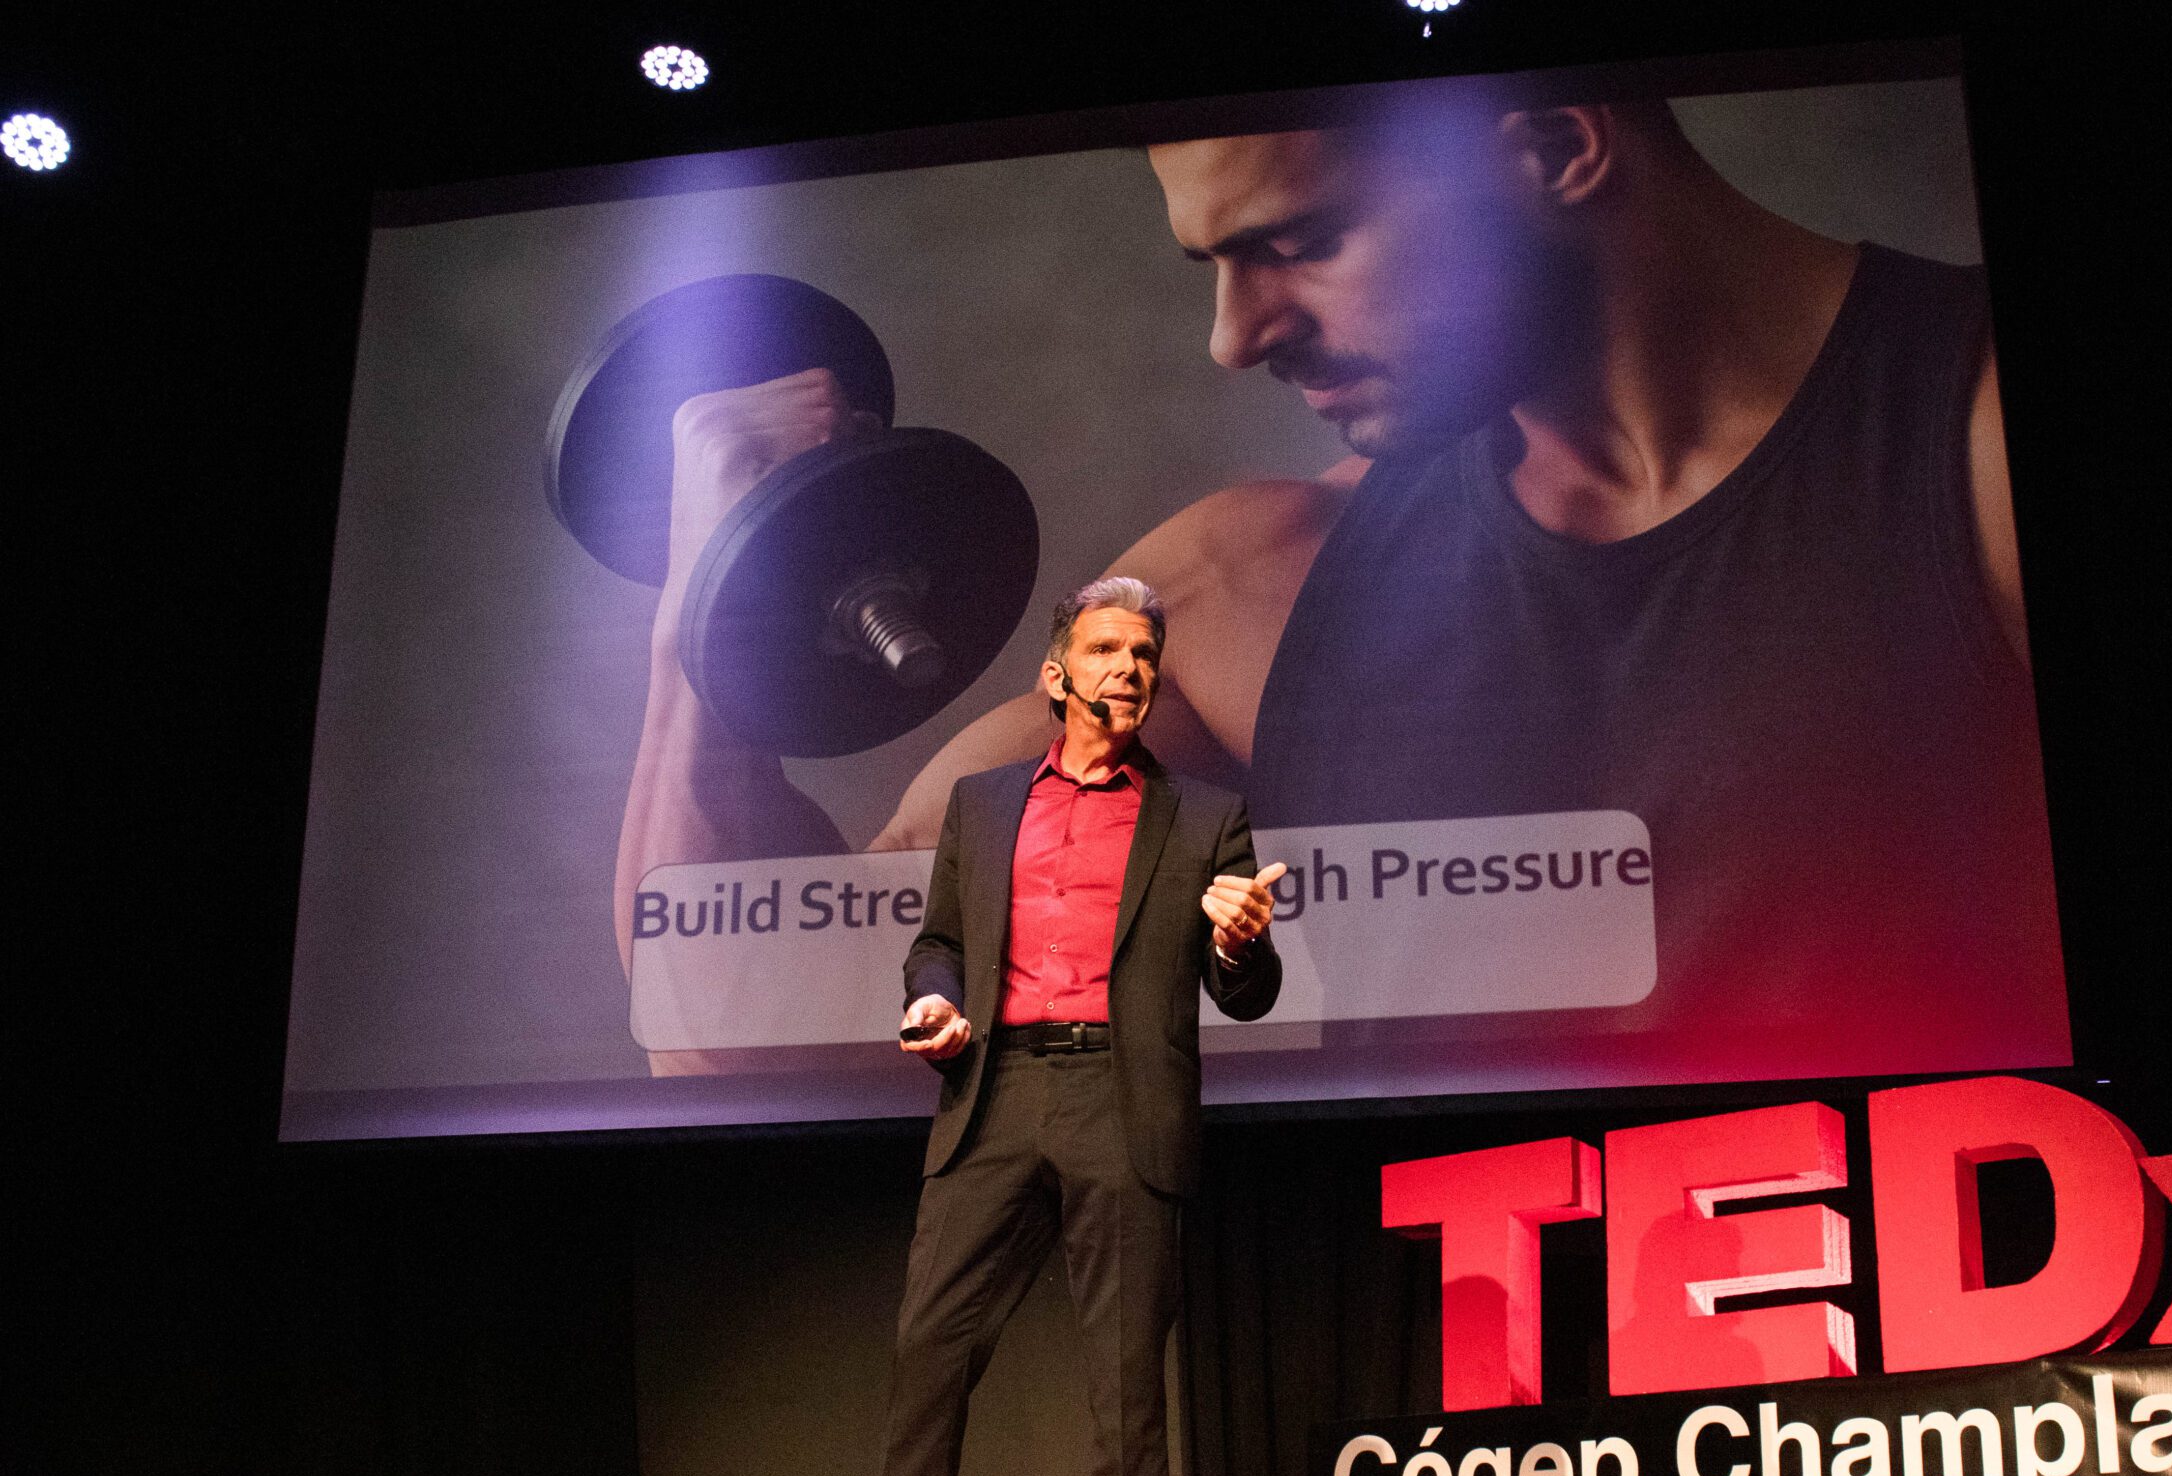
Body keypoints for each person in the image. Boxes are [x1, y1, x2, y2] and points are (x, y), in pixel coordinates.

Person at [616, 94, 2063, 1086]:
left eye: (1299, 241)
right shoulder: (1257, 584)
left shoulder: (1984, 441)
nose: (1236, 337)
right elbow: (742, 1023)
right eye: (1214, 266)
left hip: (1967, 1448)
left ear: (1555, 145)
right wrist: (711, 599)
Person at [780, 576, 1284, 1476]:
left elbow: (1242, 991)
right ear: (1056, 676)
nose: (1131, 669)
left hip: (1124, 1101)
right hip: (994, 1096)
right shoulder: (983, 805)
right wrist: (934, 999)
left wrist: (1243, 939)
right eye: (1107, 649)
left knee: (1122, 1384)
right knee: (930, 1356)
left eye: (1145, 653)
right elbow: (938, 942)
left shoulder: (1204, 817)